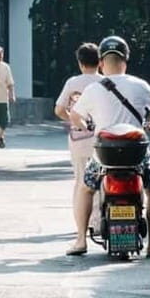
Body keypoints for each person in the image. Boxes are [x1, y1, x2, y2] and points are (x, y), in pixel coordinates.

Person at [68, 35, 150, 256]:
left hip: (104, 155)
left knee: (85, 188)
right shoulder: (140, 85)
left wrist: (87, 126)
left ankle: (81, 239)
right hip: (137, 153)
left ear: (101, 62)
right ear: (126, 60)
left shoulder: (93, 88)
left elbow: (74, 115)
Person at [54, 43, 103, 256]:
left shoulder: (73, 82)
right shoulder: (105, 82)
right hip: (103, 138)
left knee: (81, 181)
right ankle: (99, 222)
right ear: (100, 61)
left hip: (79, 138)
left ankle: (81, 229)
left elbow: (59, 109)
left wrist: (74, 120)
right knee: (104, 180)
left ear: (81, 63)